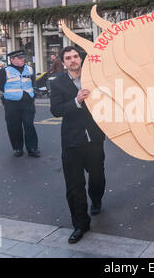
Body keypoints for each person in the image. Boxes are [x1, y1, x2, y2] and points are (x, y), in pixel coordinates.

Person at [50, 46, 106, 244]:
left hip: (94, 139)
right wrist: (76, 100)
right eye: (68, 58)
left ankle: (96, 198)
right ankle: (80, 224)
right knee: (74, 186)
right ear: (63, 63)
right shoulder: (57, 83)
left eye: (75, 56)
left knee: (97, 176)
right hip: (72, 142)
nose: (73, 60)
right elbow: (55, 110)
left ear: (80, 59)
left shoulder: (95, 77)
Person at [0, 49, 40, 158]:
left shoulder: (30, 69)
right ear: (12, 59)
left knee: (29, 125)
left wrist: (30, 94)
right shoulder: (5, 70)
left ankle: (32, 148)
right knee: (14, 126)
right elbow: (0, 85)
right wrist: (12, 94)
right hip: (11, 104)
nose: (22, 59)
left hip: (27, 103)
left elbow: (33, 81)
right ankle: (17, 148)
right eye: (20, 58)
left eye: (23, 57)